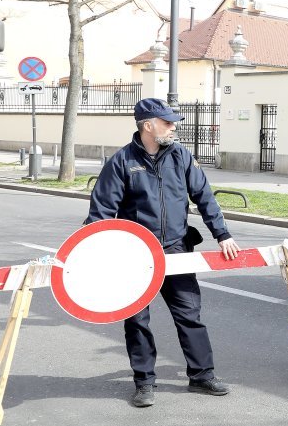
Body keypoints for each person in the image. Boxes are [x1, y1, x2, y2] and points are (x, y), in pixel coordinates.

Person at [85, 98, 242, 408]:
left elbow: (204, 197)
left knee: (189, 315)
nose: (174, 127)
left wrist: (222, 234)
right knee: (137, 321)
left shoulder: (181, 156)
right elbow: (101, 212)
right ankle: (144, 383)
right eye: (168, 122)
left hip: (176, 249)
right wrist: (95, 253)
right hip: (135, 257)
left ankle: (201, 375)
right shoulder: (121, 162)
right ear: (148, 125)